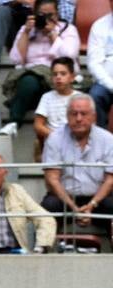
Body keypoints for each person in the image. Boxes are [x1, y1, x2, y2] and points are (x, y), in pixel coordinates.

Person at [0, 0, 79, 136]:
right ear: (35, 15)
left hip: (55, 80)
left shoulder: (67, 29)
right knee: (29, 81)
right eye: (42, 15)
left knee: (29, 82)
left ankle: (14, 120)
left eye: (50, 15)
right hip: (31, 80)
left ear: (57, 14)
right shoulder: (27, 30)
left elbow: (69, 57)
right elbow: (16, 59)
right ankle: (13, 123)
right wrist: (25, 33)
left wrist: (52, 34)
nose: (46, 19)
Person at [41, 94, 113, 238]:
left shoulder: (108, 139)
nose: (79, 118)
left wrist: (92, 204)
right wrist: (74, 208)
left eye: (84, 114)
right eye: (74, 114)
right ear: (67, 116)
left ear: (93, 116)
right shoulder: (55, 138)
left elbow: (110, 180)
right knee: (48, 207)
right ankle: (44, 252)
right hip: (64, 198)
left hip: (98, 198)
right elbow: (52, 179)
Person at [34, 57, 82, 159]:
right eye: (55, 74)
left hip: (75, 142)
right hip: (54, 143)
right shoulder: (47, 97)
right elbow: (38, 125)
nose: (58, 77)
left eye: (63, 74)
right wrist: (56, 136)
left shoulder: (81, 98)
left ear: (72, 77)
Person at [87, 0, 113, 127]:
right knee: (95, 96)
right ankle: (100, 141)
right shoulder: (99, 25)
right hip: (106, 83)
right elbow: (94, 63)